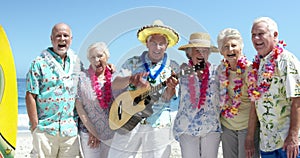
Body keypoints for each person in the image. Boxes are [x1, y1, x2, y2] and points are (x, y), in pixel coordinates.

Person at [107, 20, 180, 158]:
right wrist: (130, 79)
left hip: (158, 122)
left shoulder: (173, 67)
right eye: (153, 43)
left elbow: (166, 98)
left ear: (167, 45)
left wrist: (171, 88)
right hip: (128, 117)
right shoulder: (132, 62)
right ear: (147, 43)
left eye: (161, 43)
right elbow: (114, 83)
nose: (157, 47)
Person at [25, 23, 82, 157]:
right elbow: (30, 96)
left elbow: (91, 77)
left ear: (71, 39)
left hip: (70, 131)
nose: (62, 39)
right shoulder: (38, 63)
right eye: (58, 36)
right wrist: (35, 127)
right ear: (51, 39)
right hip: (45, 130)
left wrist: (107, 66)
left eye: (65, 35)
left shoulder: (77, 63)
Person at [248, 16, 300, 158]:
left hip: (287, 143)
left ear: (275, 35)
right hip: (267, 143)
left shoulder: (286, 60)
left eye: (261, 34)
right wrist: (250, 138)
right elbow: (255, 103)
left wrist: (294, 137)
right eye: (253, 35)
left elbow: (297, 100)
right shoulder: (257, 64)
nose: (256, 38)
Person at [173, 32, 221, 158]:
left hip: (211, 127)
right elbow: (168, 91)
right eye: (197, 50)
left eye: (205, 51)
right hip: (186, 128)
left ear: (209, 53)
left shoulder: (216, 72)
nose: (201, 54)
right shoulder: (181, 71)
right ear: (189, 53)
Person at [217, 28, 260, 158]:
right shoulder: (220, 69)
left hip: (247, 127)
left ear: (241, 47)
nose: (230, 50)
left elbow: (255, 105)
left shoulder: (250, 70)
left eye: (234, 45)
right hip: (227, 127)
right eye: (226, 46)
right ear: (221, 51)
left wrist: (250, 136)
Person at [75, 42, 115, 158]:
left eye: (100, 55)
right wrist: (93, 132)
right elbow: (79, 108)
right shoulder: (82, 78)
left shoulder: (115, 78)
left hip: (111, 134)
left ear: (107, 57)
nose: (96, 60)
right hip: (89, 134)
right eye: (92, 57)